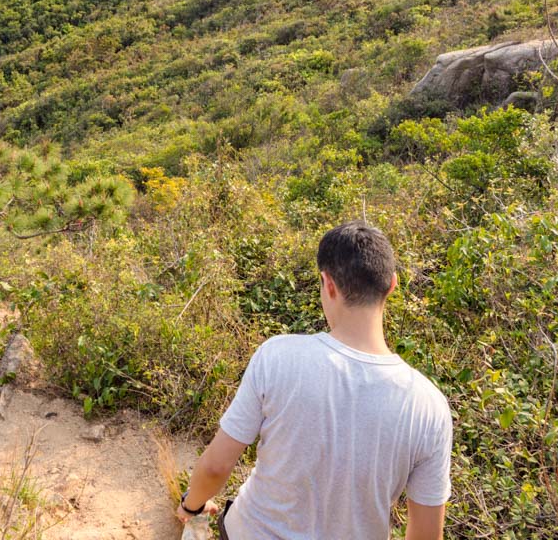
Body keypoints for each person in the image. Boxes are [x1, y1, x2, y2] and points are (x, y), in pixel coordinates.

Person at [176, 221, 452, 539]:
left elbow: (215, 467)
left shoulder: (278, 356)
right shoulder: (429, 405)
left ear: (327, 283)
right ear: (391, 285)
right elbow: (427, 534)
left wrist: (191, 506)